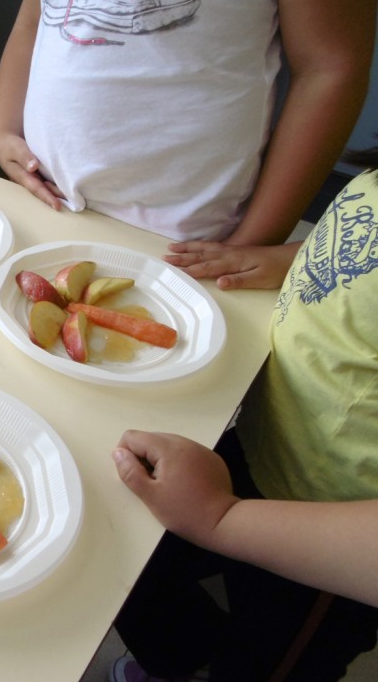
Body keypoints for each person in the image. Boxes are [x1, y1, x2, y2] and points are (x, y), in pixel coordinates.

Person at [110, 152, 378, 680]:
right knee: (132, 567)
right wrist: (293, 258)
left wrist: (220, 518)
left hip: (330, 540)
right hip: (256, 445)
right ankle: (180, 664)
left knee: (262, 663)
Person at [0, 0, 378, 247]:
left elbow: (329, 69)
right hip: (41, 196)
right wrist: (3, 130)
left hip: (180, 236)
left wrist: (255, 240)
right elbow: (35, 18)